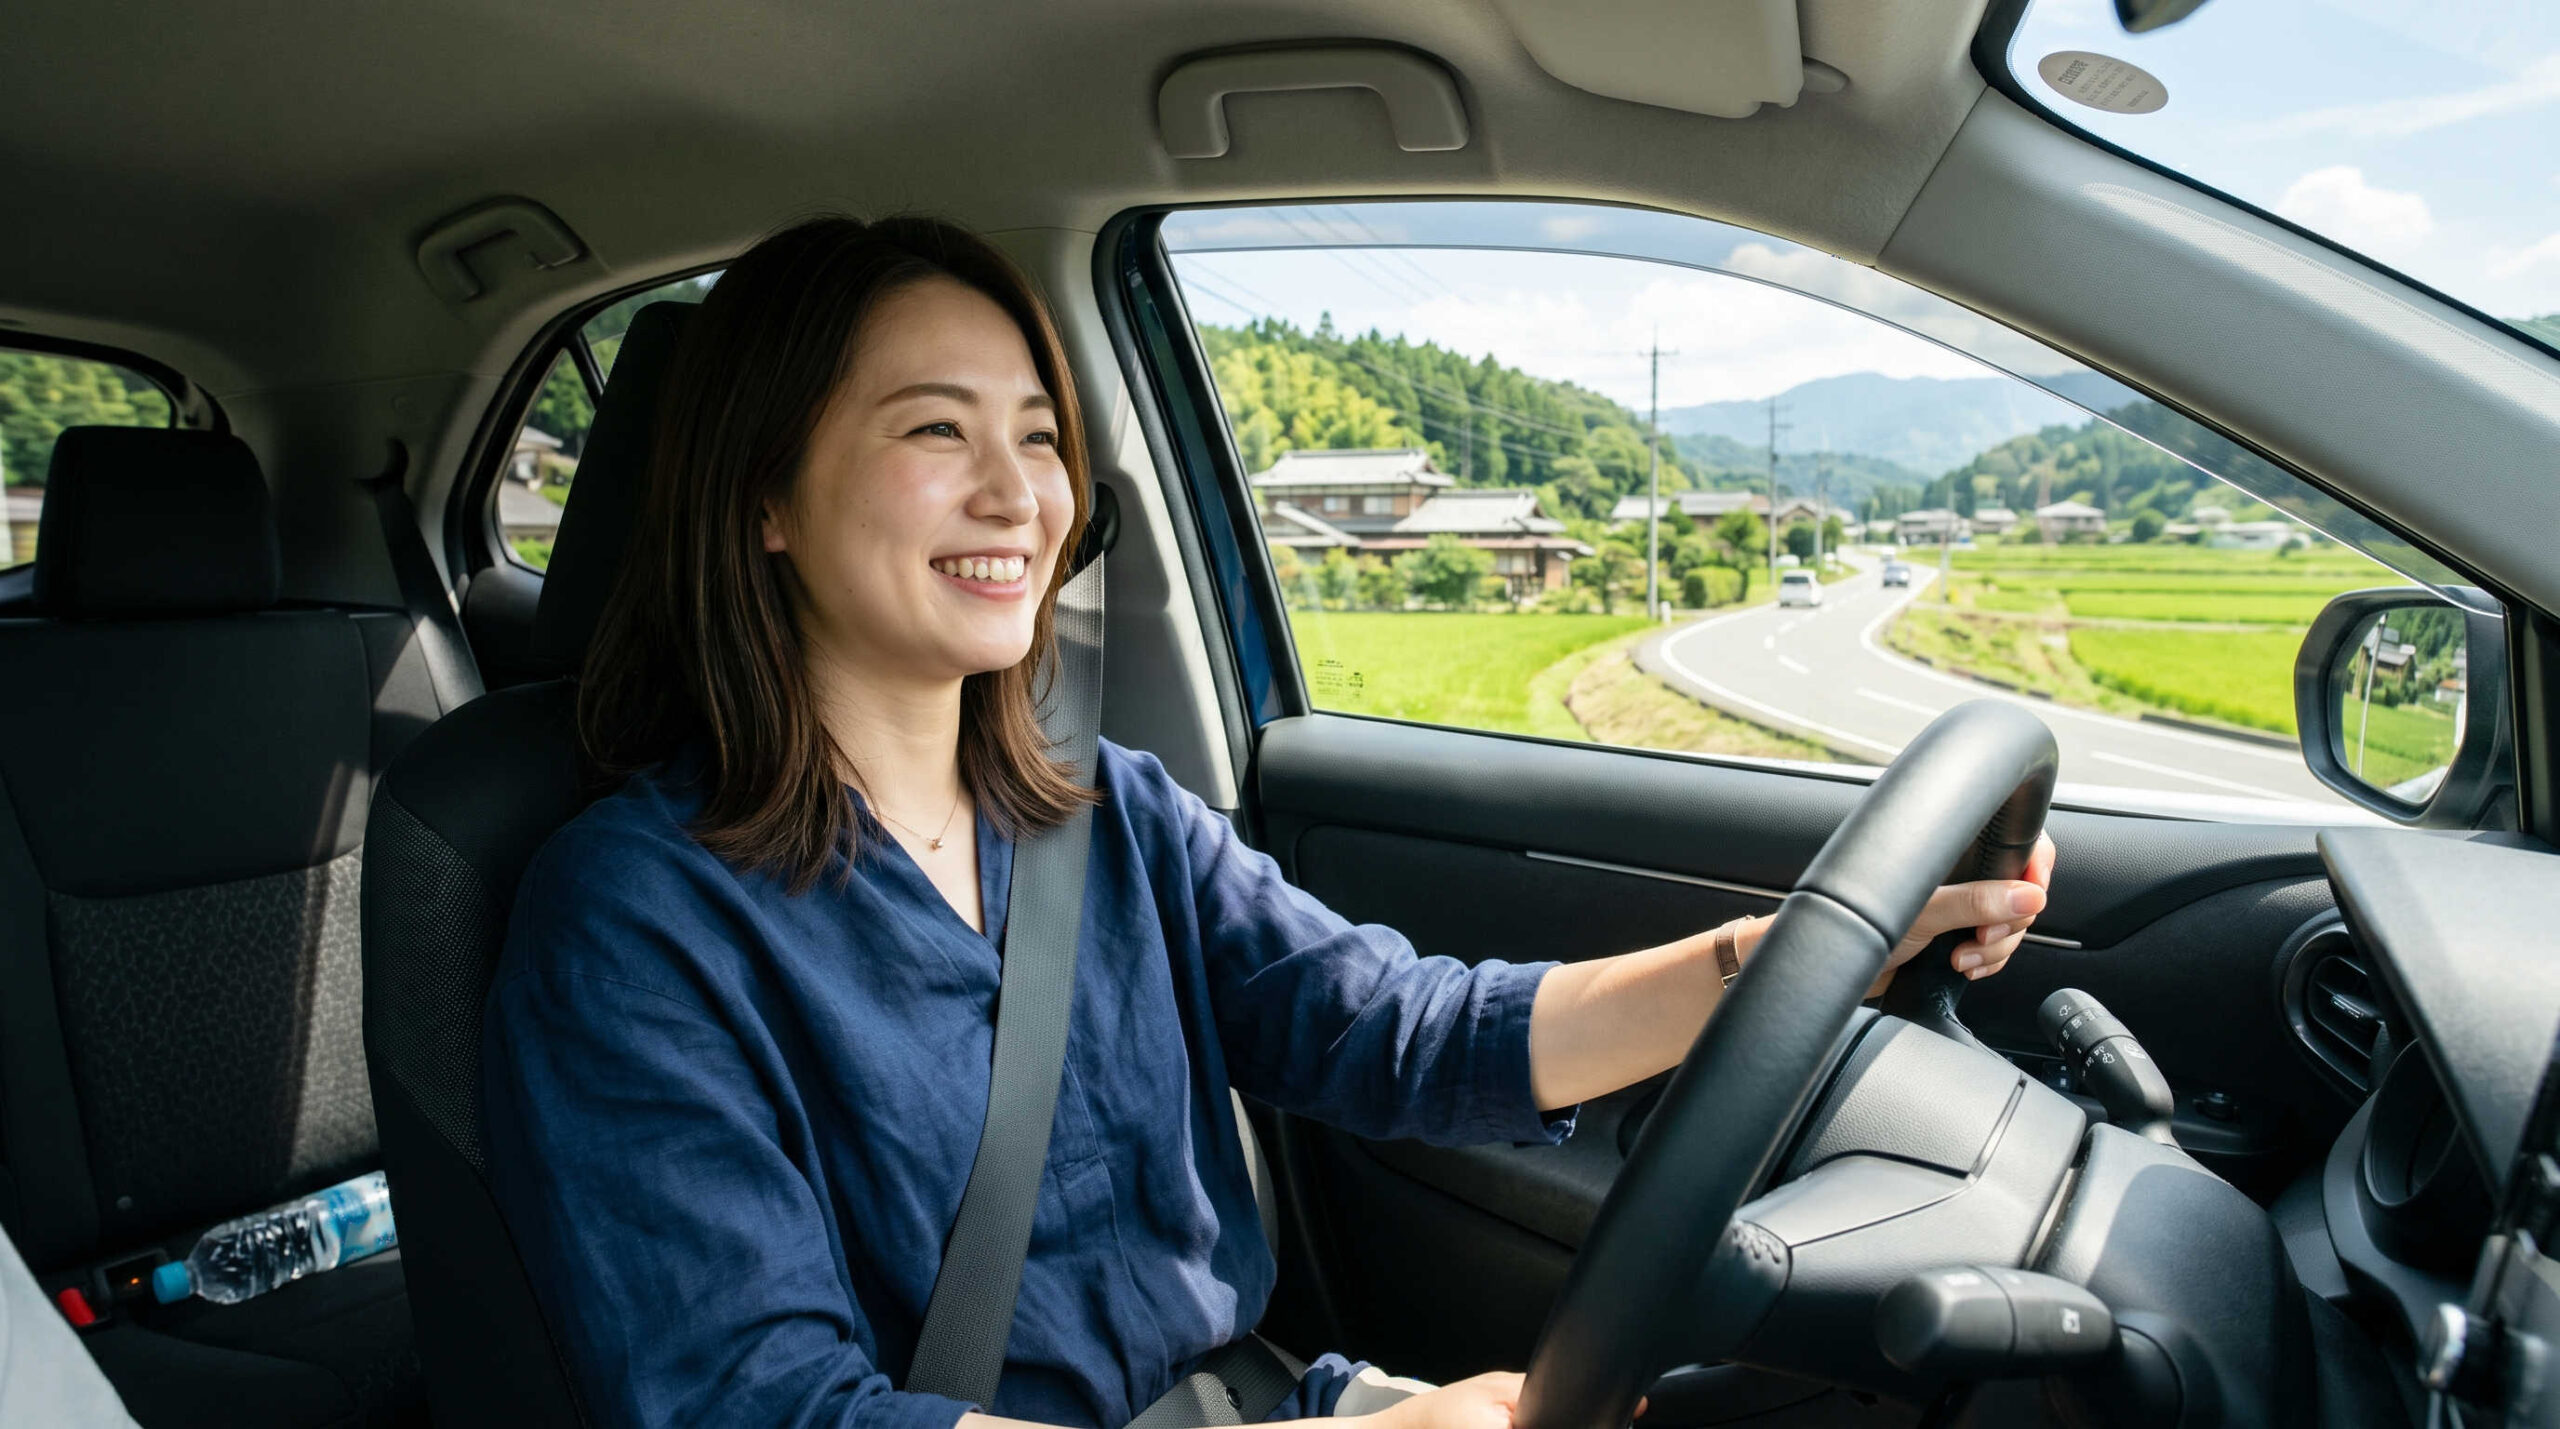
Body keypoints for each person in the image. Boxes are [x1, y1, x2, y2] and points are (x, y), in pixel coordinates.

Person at [479, 216, 2056, 1429]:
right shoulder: (633, 921)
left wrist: (1803, 957)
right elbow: (775, 1411)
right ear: (767, 497)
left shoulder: (1115, 822)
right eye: (933, 430)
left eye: (1038, 435)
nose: (1019, 494)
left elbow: (1414, 1033)